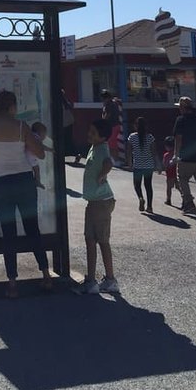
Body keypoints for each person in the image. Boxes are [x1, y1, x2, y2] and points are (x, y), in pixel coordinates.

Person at [0, 90, 53, 299]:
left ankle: (12, 283)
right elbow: (39, 153)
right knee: (32, 229)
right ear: (12, 106)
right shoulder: (21, 127)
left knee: (8, 234)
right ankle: (46, 275)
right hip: (23, 181)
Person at [80, 118, 119, 294]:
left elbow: (108, 163)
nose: (89, 134)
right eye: (90, 130)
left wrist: (103, 175)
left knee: (101, 240)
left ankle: (110, 280)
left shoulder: (102, 148)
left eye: (93, 133)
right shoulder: (95, 147)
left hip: (101, 201)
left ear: (102, 137)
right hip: (94, 201)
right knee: (90, 239)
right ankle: (92, 279)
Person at [126, 117, 160, 214]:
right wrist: (158, 164)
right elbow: (154, 152)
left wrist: (129, 163)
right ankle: (149, 207)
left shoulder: (132, 137)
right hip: (148, 165)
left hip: (137, 165)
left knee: (137, 185)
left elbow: (128, 151)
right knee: (148, 185)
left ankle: (141, 198)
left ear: (135, 126)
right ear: (145, 126)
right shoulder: (150, 137)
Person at [26, 121, 53, 189]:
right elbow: (41, 147)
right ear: (39, 133)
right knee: (36, 169)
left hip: (27, 156)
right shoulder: (36, 138)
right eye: (44, 134)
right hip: (30, 157)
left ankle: (36, 181)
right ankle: (37, 181)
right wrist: (50, 149)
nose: (45, 137)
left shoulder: (31, 135)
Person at [101, 90, 122, 167]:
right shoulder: (113, 103)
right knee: (112, 143)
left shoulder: (109, 104)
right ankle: (114, 159)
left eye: (103, 98)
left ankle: (116, 160)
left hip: (112, 126)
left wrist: (102, 122)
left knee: (112, 144)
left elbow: (107, 115)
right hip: (115, 125)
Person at [162, 136, 179, 206]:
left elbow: (165, 164)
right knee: (179, 187)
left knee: (169, 188)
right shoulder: (176, 154)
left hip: (169, 174)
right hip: (177, 173)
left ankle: (168, 199)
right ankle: (184, 199)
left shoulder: (166, 155)